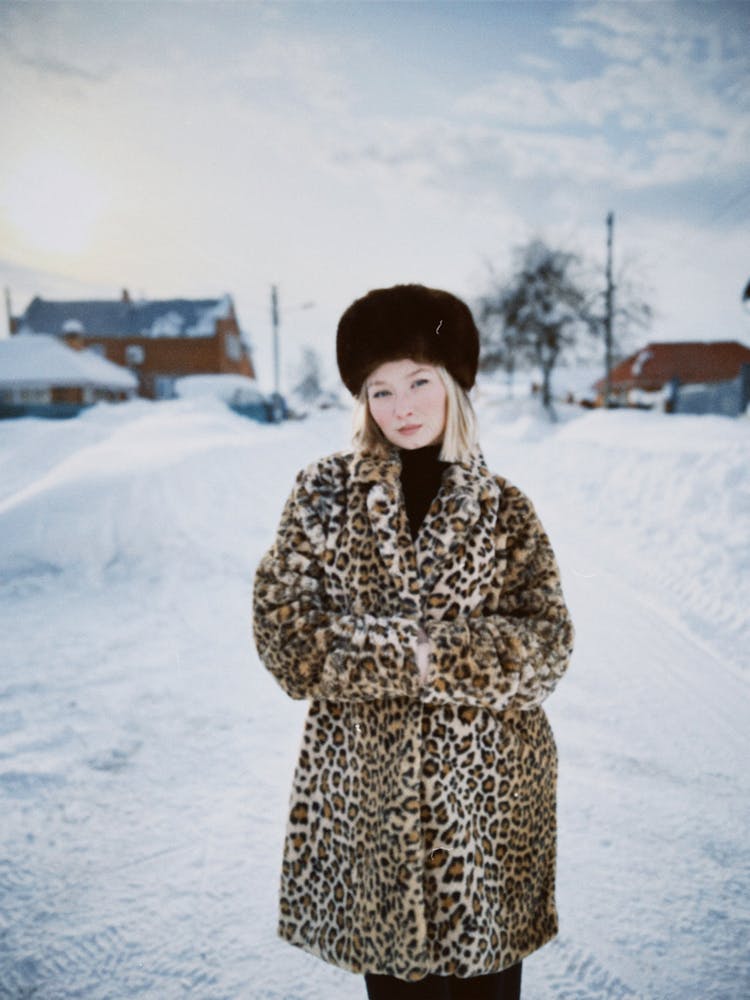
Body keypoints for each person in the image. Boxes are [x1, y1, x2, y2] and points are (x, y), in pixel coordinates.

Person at [252, 284, 575, 1000]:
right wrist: (410, 654)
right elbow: (284, 632)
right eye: (379, 389)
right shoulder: (324, 494)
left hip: (488, 812)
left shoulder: (505, 509)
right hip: (372, 807)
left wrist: (441, 657)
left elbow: (548, 643)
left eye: (419, 381)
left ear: (454, 384)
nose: (401, 406)